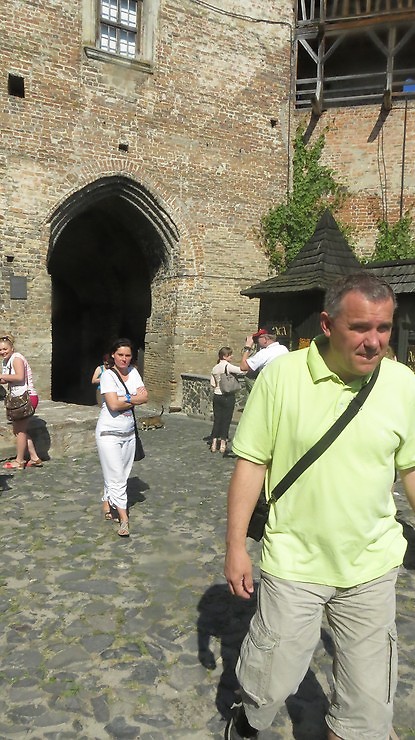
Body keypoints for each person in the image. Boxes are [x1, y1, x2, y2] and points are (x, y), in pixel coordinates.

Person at [224, 273, 415, 740]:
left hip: (371, 565)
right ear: (328, 324)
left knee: (368, 708)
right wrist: (235, 546)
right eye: (360, 328)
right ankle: (248, 717)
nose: (374, 341)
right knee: (270, 681)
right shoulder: (282, 376)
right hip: (295, 561)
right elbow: (251, 464)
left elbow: (411, 468)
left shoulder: (403, 384)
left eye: (384, 328)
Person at [95, 338, 148, 537]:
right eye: (120, 355)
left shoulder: (133, 372)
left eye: (127, 355)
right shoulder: (108, 376)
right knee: (117, 475)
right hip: (108, 433)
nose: (124, 359)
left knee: (121, 474)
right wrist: (133, 399)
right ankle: (124, 518)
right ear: (113, 355)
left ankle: (107, 502)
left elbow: (145, 397)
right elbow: (113, 405)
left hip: (129, 433)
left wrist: (123, 398)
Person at [0, 333, 42, 469]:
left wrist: (1, 375)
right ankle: (34, 458)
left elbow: (19, 377)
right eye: (0, 350)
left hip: (26, 397)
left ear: (11, 348)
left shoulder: (16, 358)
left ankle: (19, 461)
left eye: (5, 349)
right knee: (18, 430)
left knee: (20, 431)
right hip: (17, 398)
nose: (2, 352)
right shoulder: (6, 361)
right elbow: (6, 379)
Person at [210, 347, 244, 455]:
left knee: (217, 419)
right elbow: (242, 370)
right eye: (230, 355)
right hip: (227, 396)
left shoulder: (215, 368)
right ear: (224, 356)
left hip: (217, 396)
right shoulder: (227, 366)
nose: (232, 356)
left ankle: (214, 443)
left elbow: (213, 384)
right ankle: (223, 444)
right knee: (226, 420)